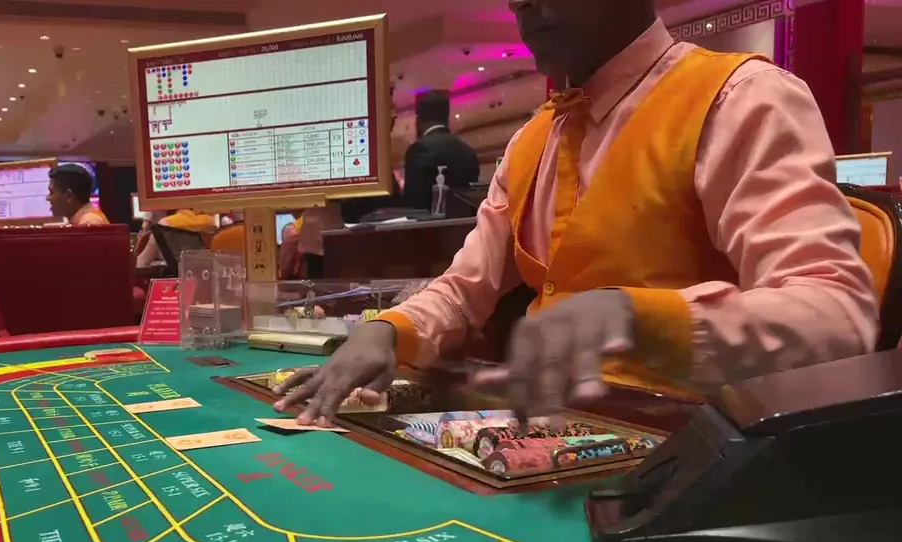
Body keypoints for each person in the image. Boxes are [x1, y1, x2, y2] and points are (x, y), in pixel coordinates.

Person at [276, 0, 878, 425]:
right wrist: (388, 328)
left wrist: (637, 317)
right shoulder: (532, 138)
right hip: (540, 437)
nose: (522, 2)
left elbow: (838, 317)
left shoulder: (740, 98)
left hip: (689, 449)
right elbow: (464, 289)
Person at [402, 90, 481, 217]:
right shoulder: (468, 151)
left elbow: (413, 205)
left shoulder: (418, 149)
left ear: (418, 121)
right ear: (447, 118)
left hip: (429, 227)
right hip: (465, 226)